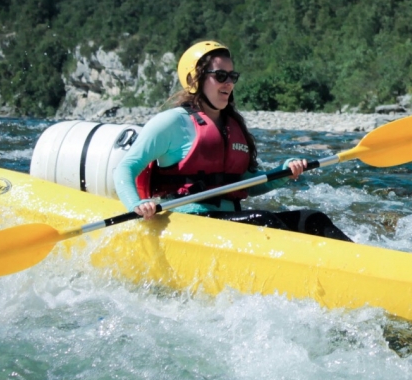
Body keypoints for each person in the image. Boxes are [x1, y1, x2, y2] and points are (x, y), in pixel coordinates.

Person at [113, 40, 352, 242]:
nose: (229, 82)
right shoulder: (171, 123)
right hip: (188, 222)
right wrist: (137, 204)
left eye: (232, 76)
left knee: (313, 219)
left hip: (229, 222)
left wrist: (284, 172)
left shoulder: (233, 126)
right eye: (220, 76)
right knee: (264, 221)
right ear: (194, 79)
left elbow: (247, 184)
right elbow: (126, 167)